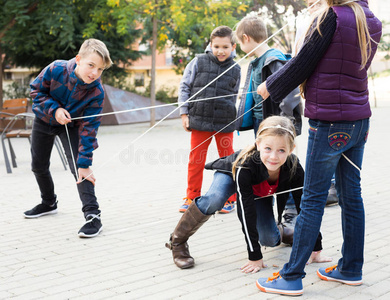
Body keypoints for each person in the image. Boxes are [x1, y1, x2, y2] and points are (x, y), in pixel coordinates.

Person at [256, 0, 382, 295]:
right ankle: (350, 269)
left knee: (312, 199)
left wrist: (269, 86)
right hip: (359, 121)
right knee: (352, 196)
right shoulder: (372, 19)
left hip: (328, 122)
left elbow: (302, 63)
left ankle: (291, 275)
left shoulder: (331, 17)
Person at [166, 116, 330, 272]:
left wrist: (316, 248)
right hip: (231, 174)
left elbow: (307, 208)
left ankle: (283, 232)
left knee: (269, 240)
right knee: (215, 198)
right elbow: (245, 212)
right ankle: (178, 241)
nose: (273, 157)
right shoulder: (246, 165)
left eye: (281, 150)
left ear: (291, 149)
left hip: (258, 189)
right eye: (268, 148)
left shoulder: (294, 167)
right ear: (258, 144)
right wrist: (255, 256)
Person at [23, 38, 113, 238]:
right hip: (44, 120)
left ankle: (93, 215)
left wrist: (85, 162)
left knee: (79, 168)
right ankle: (48, 203)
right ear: (78, 59)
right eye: (91, 65)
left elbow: (90, 129)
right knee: (38, 165)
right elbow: (36, 91)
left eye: (100, 69)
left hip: (71, 127)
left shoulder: (97, 91)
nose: (94, 73)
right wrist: (55, 110)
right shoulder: (56, 69)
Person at [234, 15, 303, 233]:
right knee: (267, 167)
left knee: (285, 168)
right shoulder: (256, 61)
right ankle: (271, 214)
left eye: (240, 42)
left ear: (245, 37)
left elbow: (290, 92)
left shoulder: (273, 59)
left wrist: (285, 125)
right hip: (261, 124)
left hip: (276, 127)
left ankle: (291, 213)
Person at [178, 25, 241, 214]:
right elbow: (184, 87)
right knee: (196, 159)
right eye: (216, 46)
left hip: (225, 122)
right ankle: (191, 195)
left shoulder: (236, 68)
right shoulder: (198, 62)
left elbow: (234, 95)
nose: (220, 51)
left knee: (228, 160)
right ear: (210, 45)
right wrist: (184, 113)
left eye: (225, 47)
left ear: (233, 47)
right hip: (199, 119)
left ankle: (230, 198)